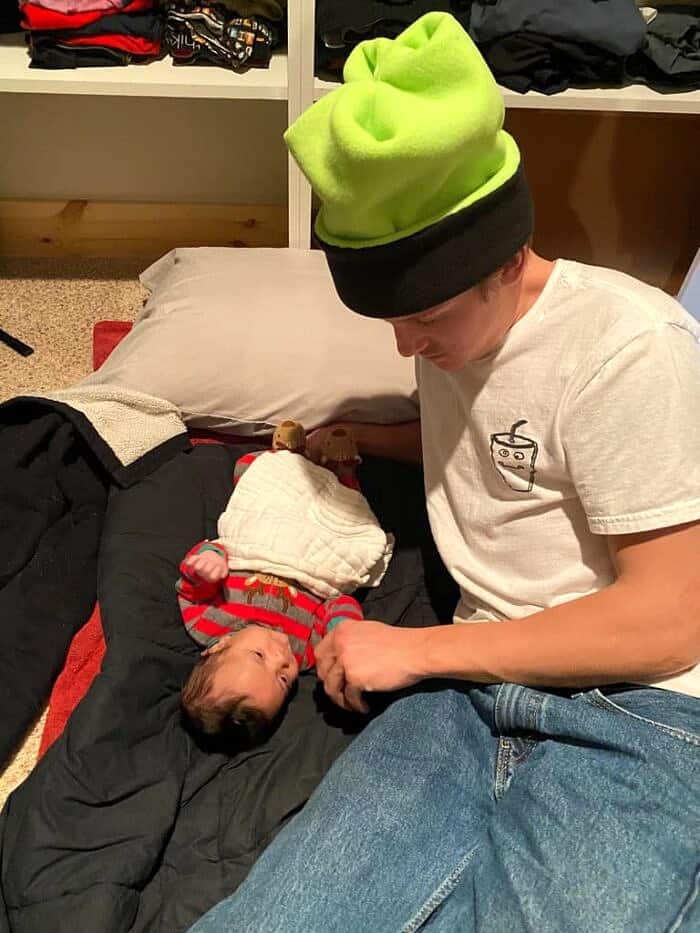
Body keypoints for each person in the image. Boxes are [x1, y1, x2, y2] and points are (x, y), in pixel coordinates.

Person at [187, 11, 700, 932]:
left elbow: (668, 622)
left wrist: (415, 650)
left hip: (639, 715)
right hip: (463, 699)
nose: (405, 344)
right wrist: (363, 436)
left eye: (424, 318)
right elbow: (506, 438)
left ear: (508, 258)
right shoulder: (454, 333)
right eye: (392, 320)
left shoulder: (632, 349)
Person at [178, 427, 385, 744]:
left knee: (257, 489)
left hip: (260, 544)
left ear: (218, 648)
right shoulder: (308, 653)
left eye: (259, 656)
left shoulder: (208, 624)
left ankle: (287, 456)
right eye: (283, 679)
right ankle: (343, 474)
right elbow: (335, 603)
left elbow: (192, 586)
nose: (281, 657)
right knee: (347, 522)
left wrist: (208, 562)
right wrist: (342, 627)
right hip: (313, 563)